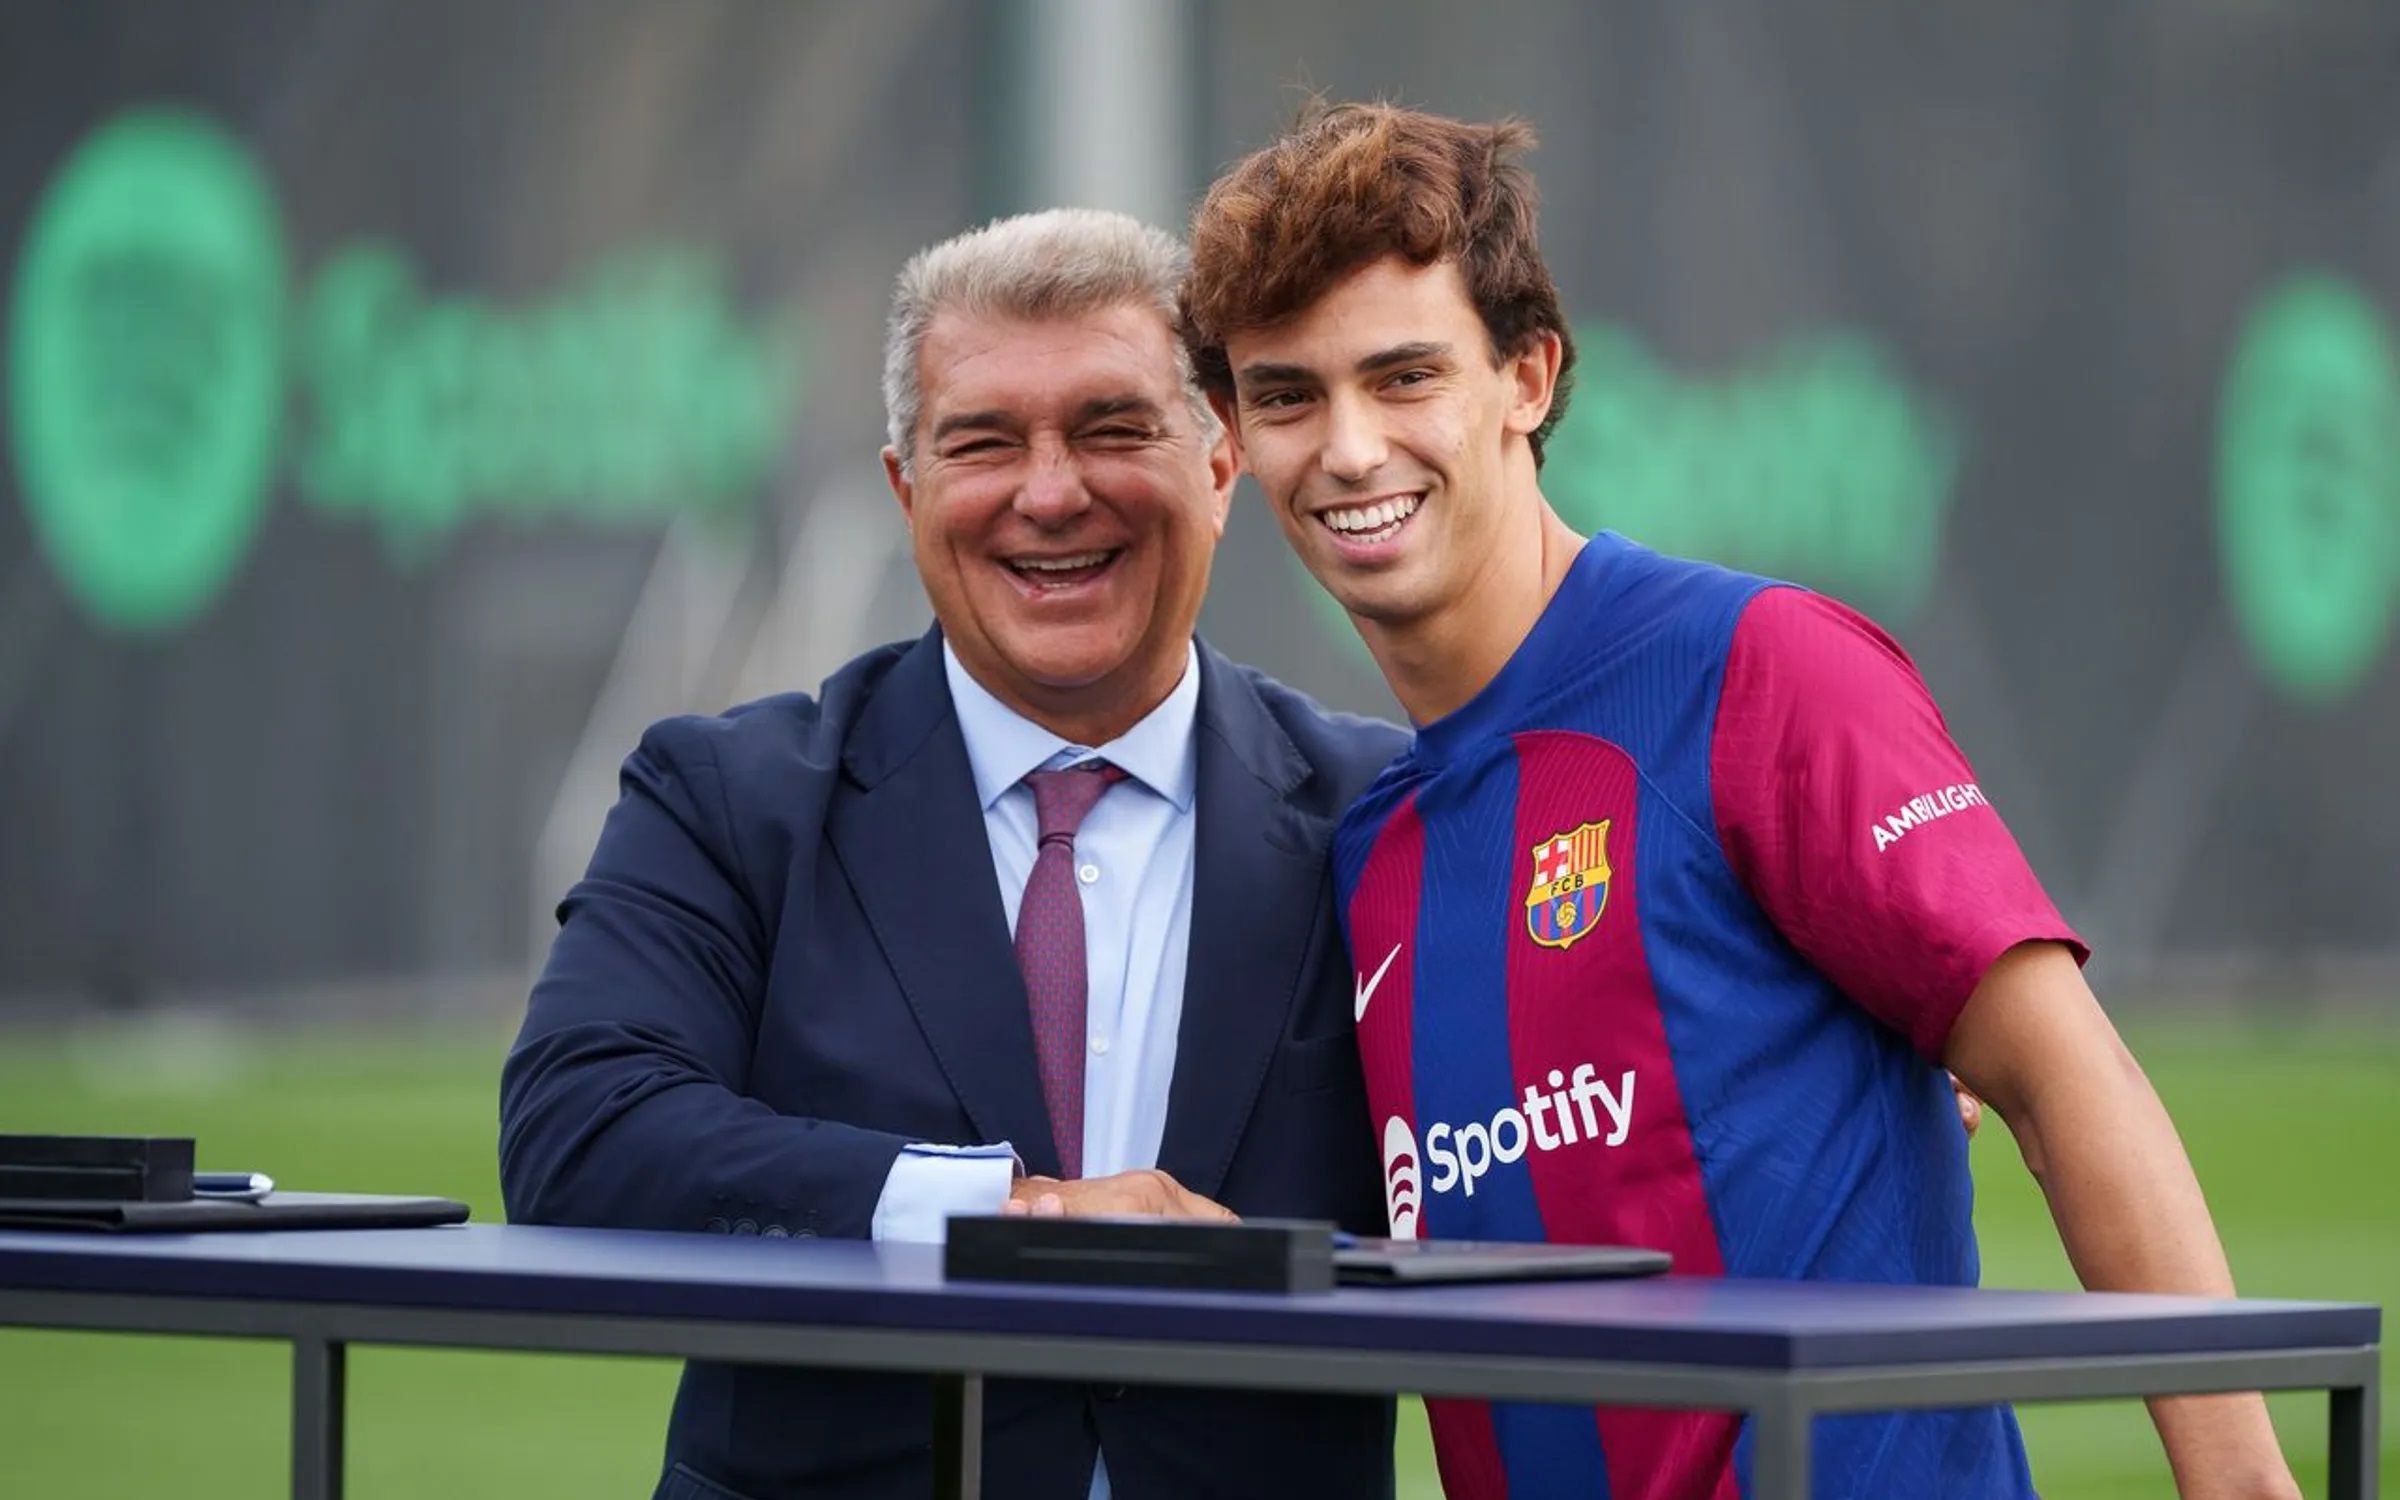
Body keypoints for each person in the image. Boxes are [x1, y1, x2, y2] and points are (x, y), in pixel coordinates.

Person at [1180, 102, 2299, 1500]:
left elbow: (2060, 1070)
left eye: (1404, 377)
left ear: (1528, 377)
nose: (1347, 448)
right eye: (1286, 394)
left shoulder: (1758, 670)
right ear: (1231, 432)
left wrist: (2245, 1488)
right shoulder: (1374, 846)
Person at [501, 208, 1402, 1500]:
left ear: (1220, 465)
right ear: (905, 488)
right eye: (983, 442)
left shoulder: (1382, 816)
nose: (1050, 491)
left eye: (1111, 428)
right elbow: (578, 1131)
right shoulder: (724, 798)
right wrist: (1007, 1217)